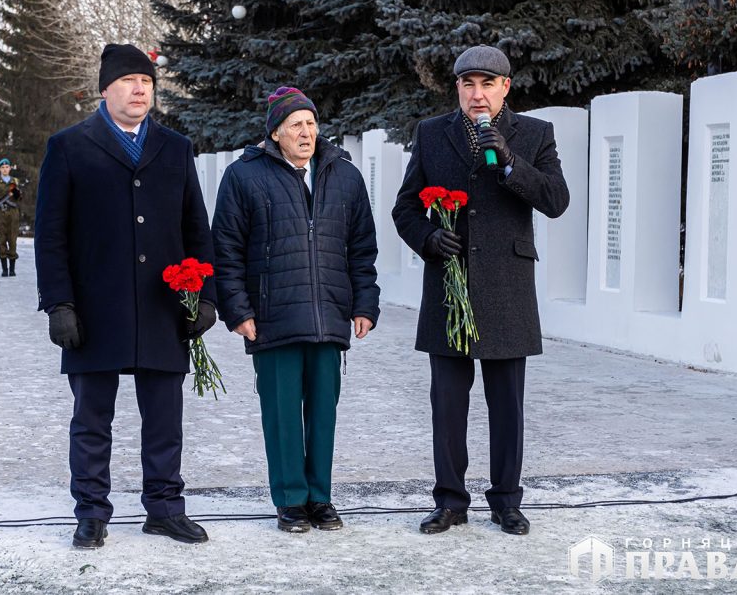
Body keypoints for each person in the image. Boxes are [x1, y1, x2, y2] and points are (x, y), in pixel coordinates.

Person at [34, 44, 217, 549]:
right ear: (104, 89)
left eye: (148, 82)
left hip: (164, 306)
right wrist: (59, 304)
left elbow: (195, 228)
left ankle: (164, 508)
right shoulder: (69, 146)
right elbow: (51, 234)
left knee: (164, 418)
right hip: (95, 308)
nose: (141, 89)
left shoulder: (175, 147)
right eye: (130, 80)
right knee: (92, 418)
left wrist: (205, 296)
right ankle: (92, 512)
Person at [391, 45, 569, 536]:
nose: (478, 94)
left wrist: (511, 162)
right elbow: (404, 208)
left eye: (488, 84)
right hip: (450, 288)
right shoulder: (431, 134)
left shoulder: (534, 134)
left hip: (508, 290)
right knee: (447, 403)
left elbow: (556, 200)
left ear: (505, 88)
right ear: (457, 88)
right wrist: (427, 237)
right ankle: (449, 501)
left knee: (507, 405)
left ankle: (507, 501)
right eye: (468, 84)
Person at [211, 86, 380, 533]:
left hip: (329, 314)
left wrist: (365, 303)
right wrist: (238, 310)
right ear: (275, 133)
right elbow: (225, 250)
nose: (306, 133)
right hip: (272, 317)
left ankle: (320, 499)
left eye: (310, 124)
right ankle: (290, 500)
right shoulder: (244, 176)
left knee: (323, 413)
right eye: (295, 126)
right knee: (283, 414)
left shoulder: (343, 175)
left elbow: (362, 248)